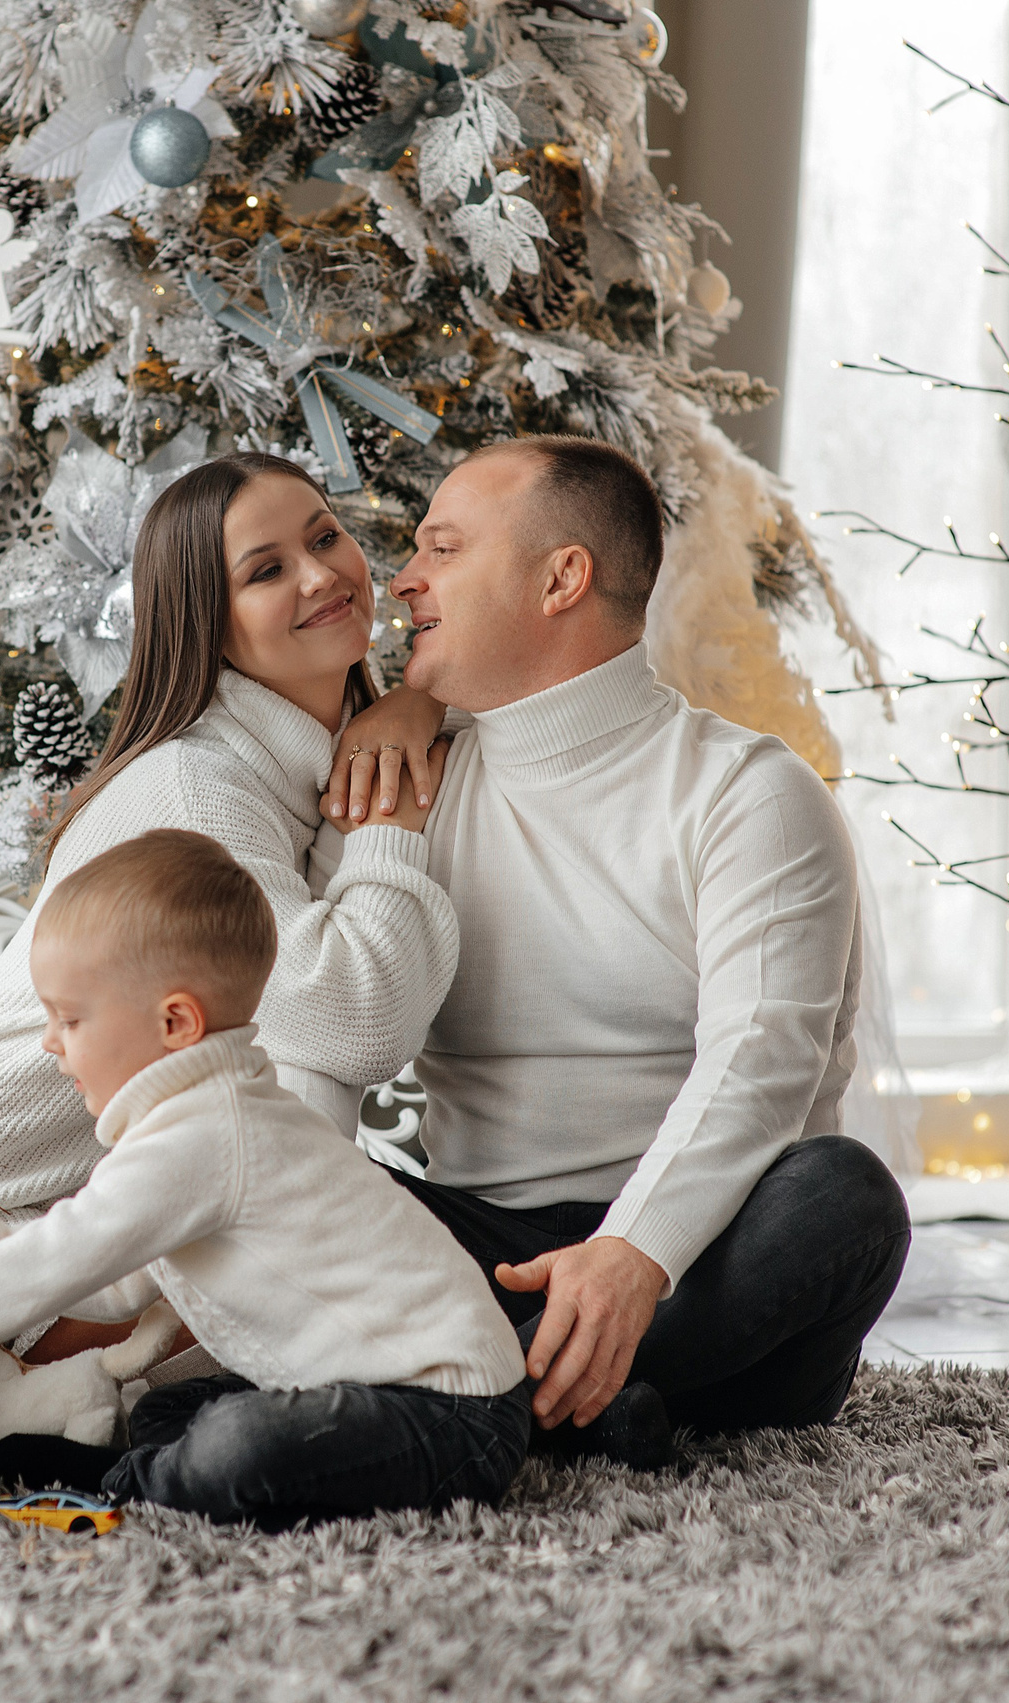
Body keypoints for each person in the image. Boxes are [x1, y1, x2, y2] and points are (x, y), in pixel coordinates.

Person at [330, 435, 910, 1460]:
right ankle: (586, 1405)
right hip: (482, 1246)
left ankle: (475, 1397)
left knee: (843, 1198)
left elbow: (761, 1063)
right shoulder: (405, 778)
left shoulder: (747, 793)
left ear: (561, 578)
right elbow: (314, 1017)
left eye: (443, 549)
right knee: (275, 1178)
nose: (404, 578)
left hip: (703, 1258)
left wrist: (633, 1252)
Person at [0, 829, 530, 1528]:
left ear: (175, 1023)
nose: (50, 1042)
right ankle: (150, 1464)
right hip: (377, 1392)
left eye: (70, 1019)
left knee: (237, 1443)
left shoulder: (203, 1136)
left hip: (450, 1413)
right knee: (171, 1407)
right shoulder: (200, 1115)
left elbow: (43, 1271)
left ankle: (129, 1481)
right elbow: (113, 1283)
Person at [0, 453, 461, 1360]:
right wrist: (385, 820)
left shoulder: (306, 750)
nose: (321, 575)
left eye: (325, 536)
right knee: (294, 1076)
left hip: (101, 1224)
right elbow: (353, 1020)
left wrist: (416, 703)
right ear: (207, 623)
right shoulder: (195, 784)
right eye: (266, 570)